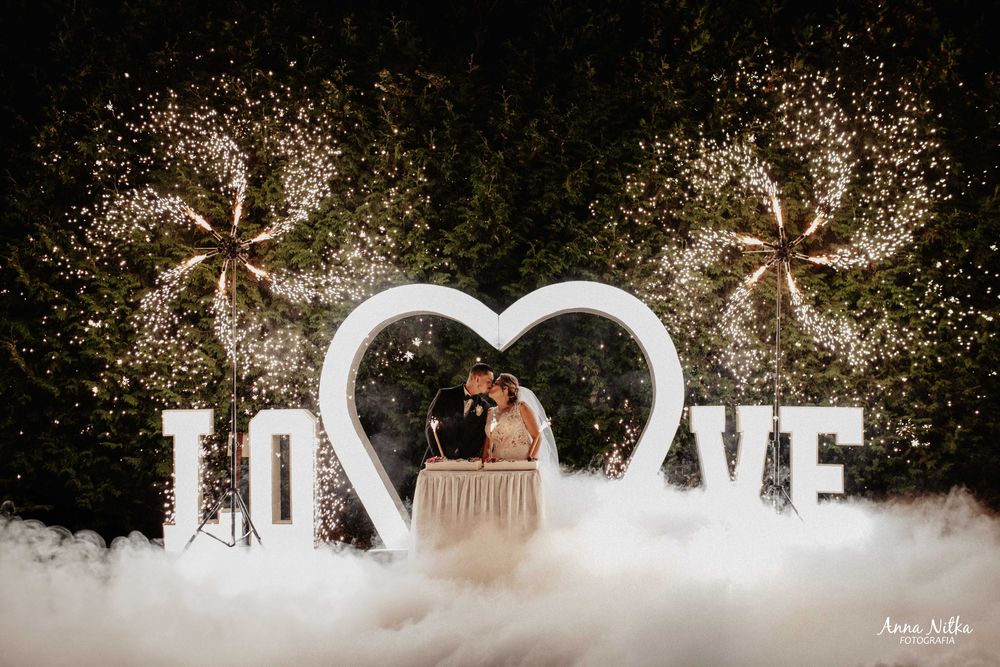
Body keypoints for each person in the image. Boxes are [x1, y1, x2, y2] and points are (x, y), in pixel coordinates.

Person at [423, 362, 494, 461]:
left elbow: (479, 439)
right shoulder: (445, 395)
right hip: (437, 460)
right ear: (477, 379)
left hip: (465, 464)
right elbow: (431, 427)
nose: (491, 385)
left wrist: (467, 460)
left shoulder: (485, 407)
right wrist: (439, 457)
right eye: (489, 381)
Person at [483, 373, 541, 461]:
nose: (491, 385)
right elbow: (488, 443)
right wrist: (485, 461)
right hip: (498, 464)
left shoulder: (521, 408)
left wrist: (529, 461)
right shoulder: (490, 412)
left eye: (496, 383)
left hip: (521, 463)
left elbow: (537, 436)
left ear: (505, 389)